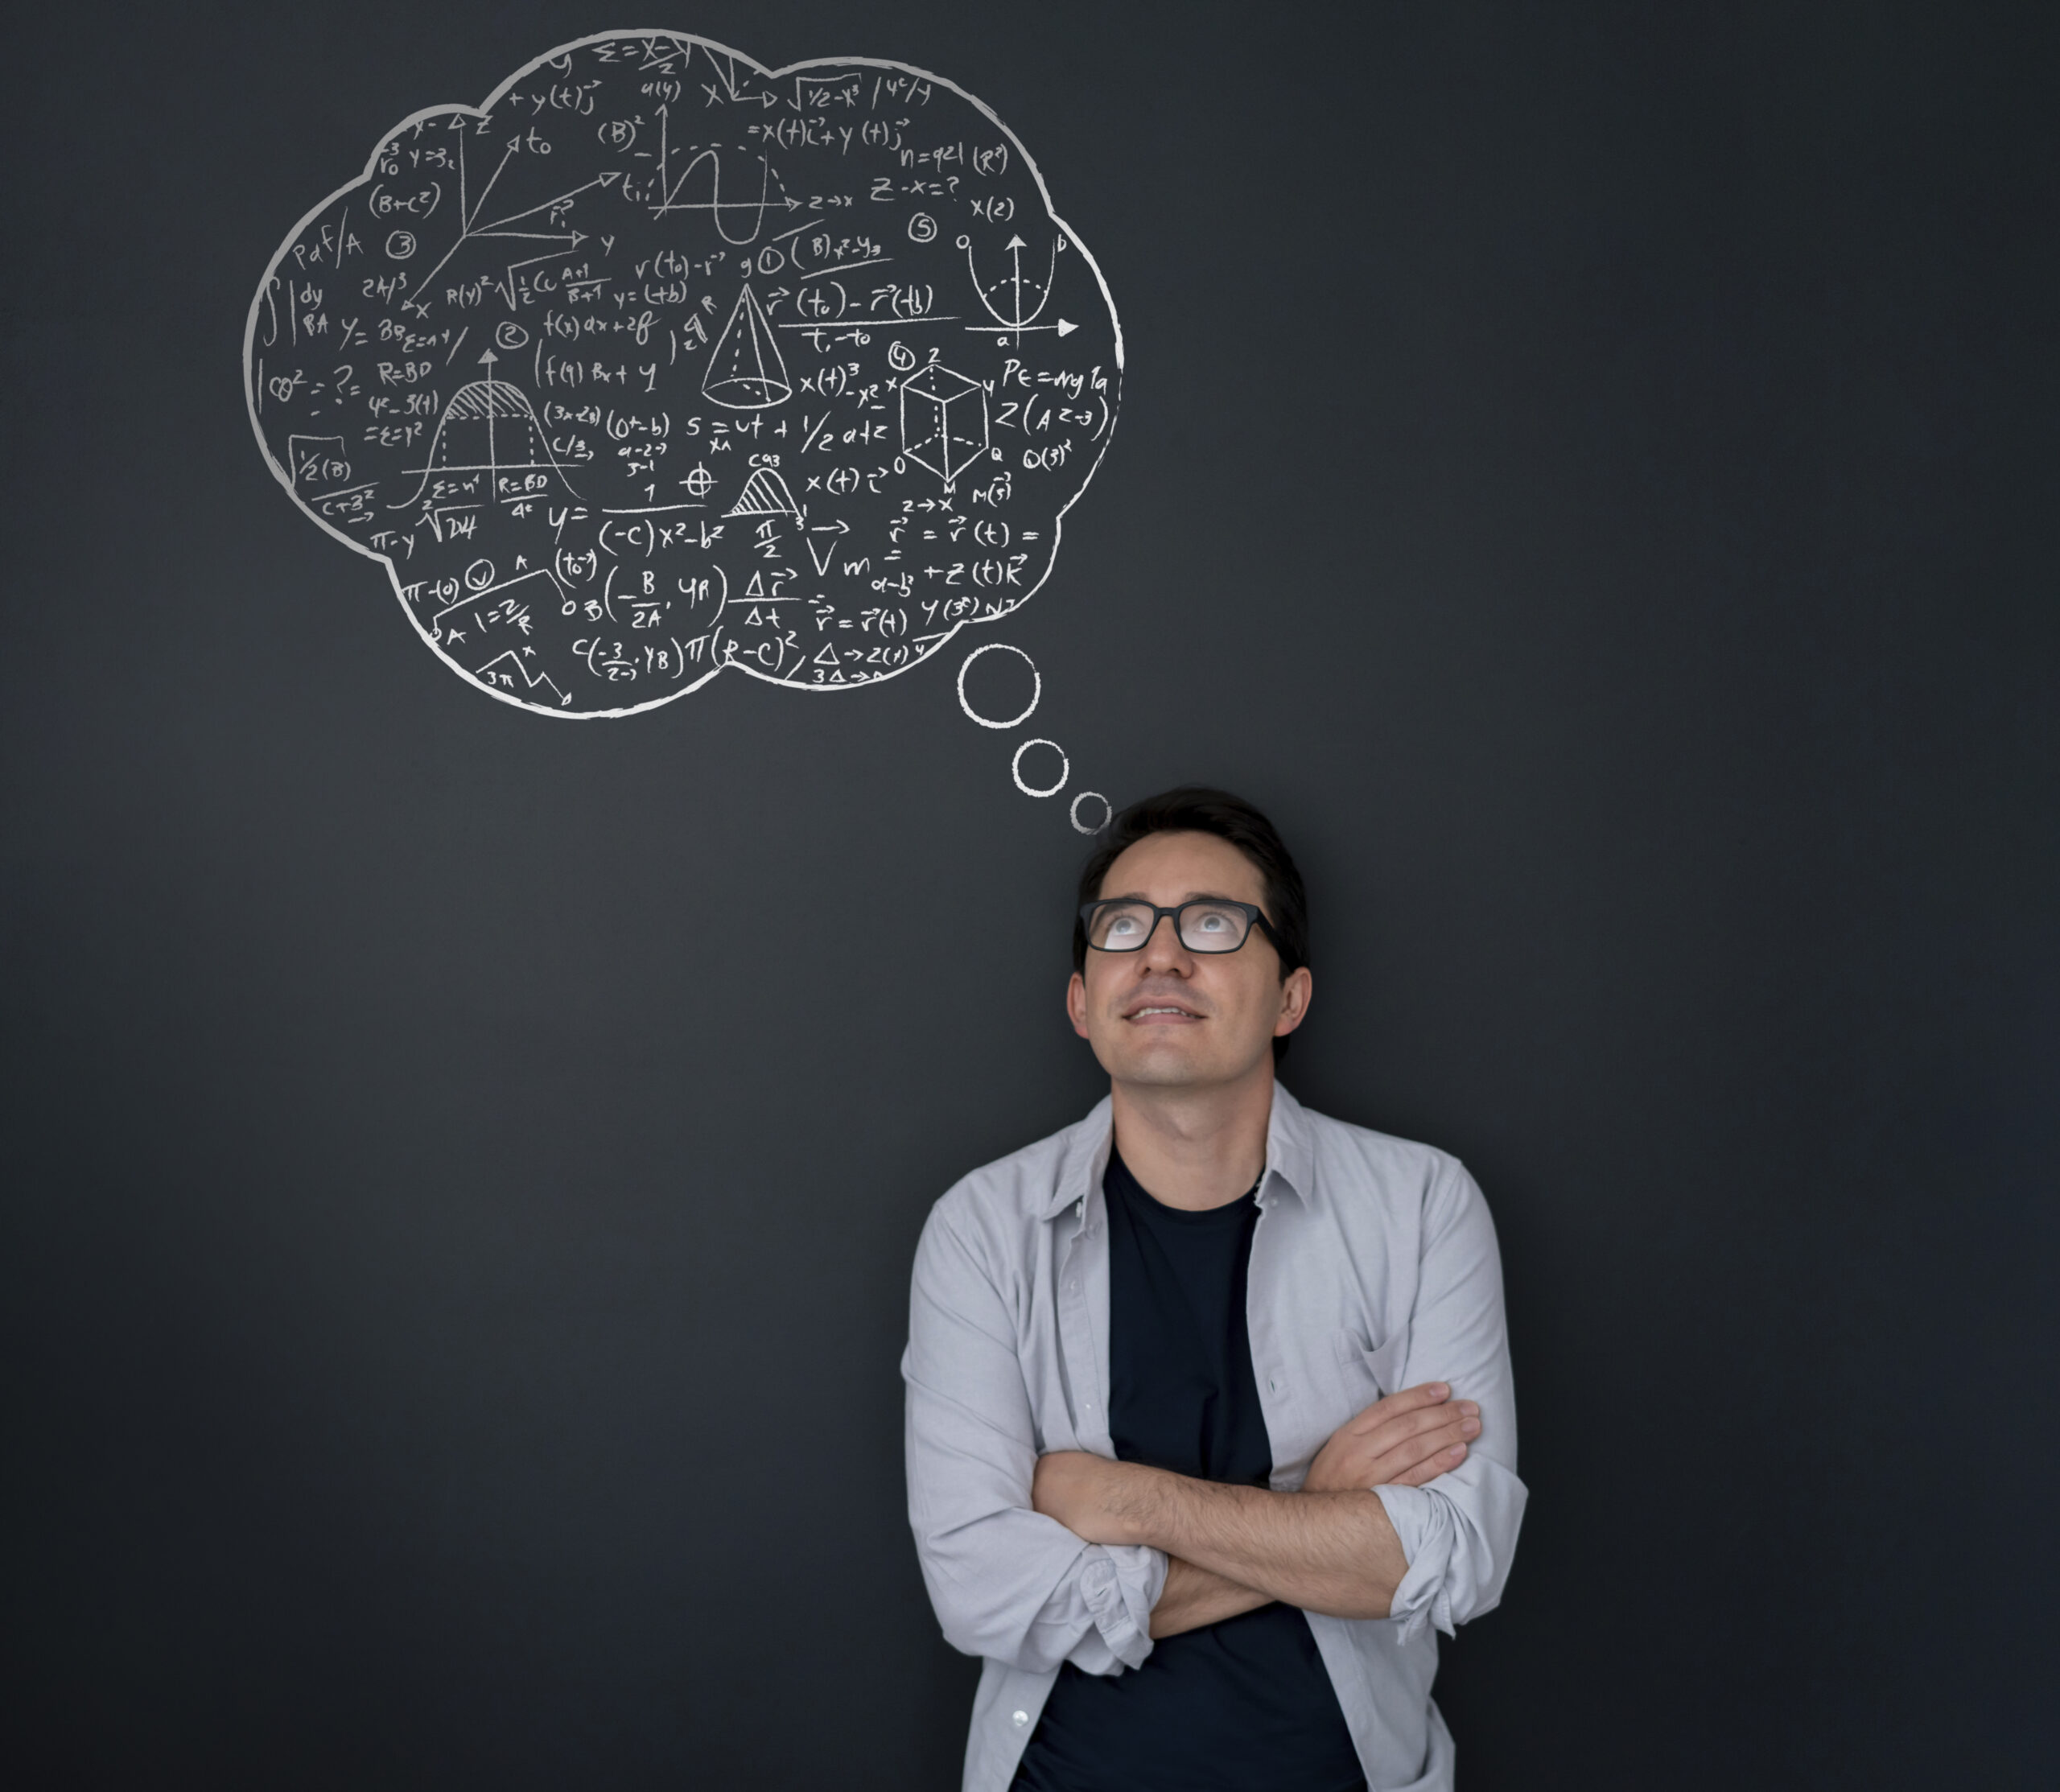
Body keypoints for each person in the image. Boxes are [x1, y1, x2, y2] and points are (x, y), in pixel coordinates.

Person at [902, 788, 1526, 1792]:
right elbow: (984, 1595)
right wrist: (1319, 1510)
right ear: (1079, 1000)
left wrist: (1120, 1499)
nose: (1159, 955)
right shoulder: (981, 1229)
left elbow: (1453, 1555)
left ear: (1290, 997)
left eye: (1212, 922)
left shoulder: (1420, 1205)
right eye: (1122, 926)